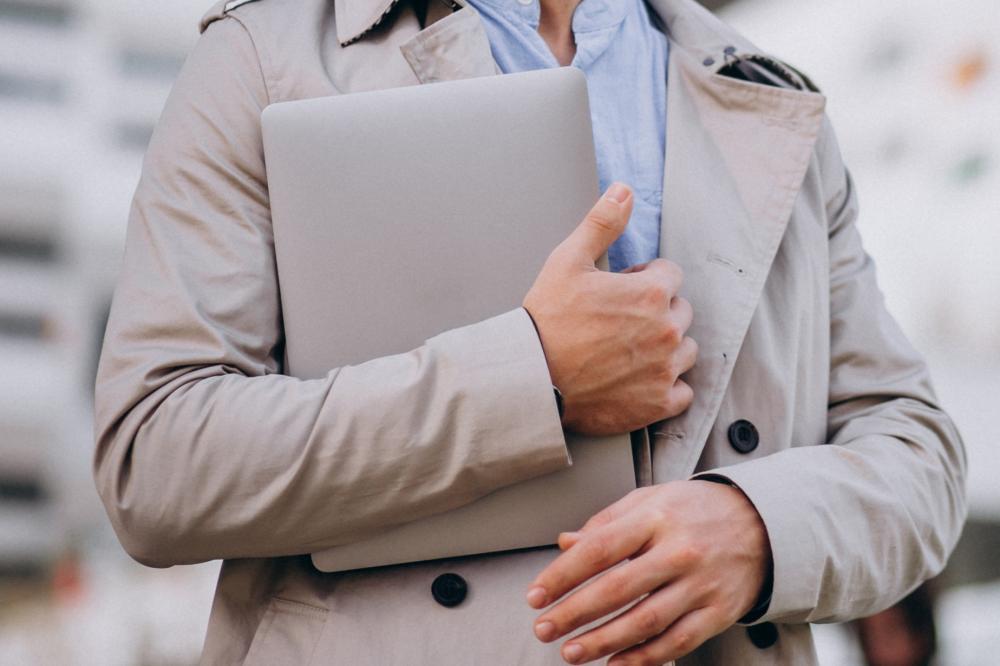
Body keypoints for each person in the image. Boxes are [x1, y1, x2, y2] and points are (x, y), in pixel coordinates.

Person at [92, 0, 967, 664]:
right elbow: (156, 461)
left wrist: (761, 530)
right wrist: (532, 379)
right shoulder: (260, 62)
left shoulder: (767, 95)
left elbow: (919, 454)